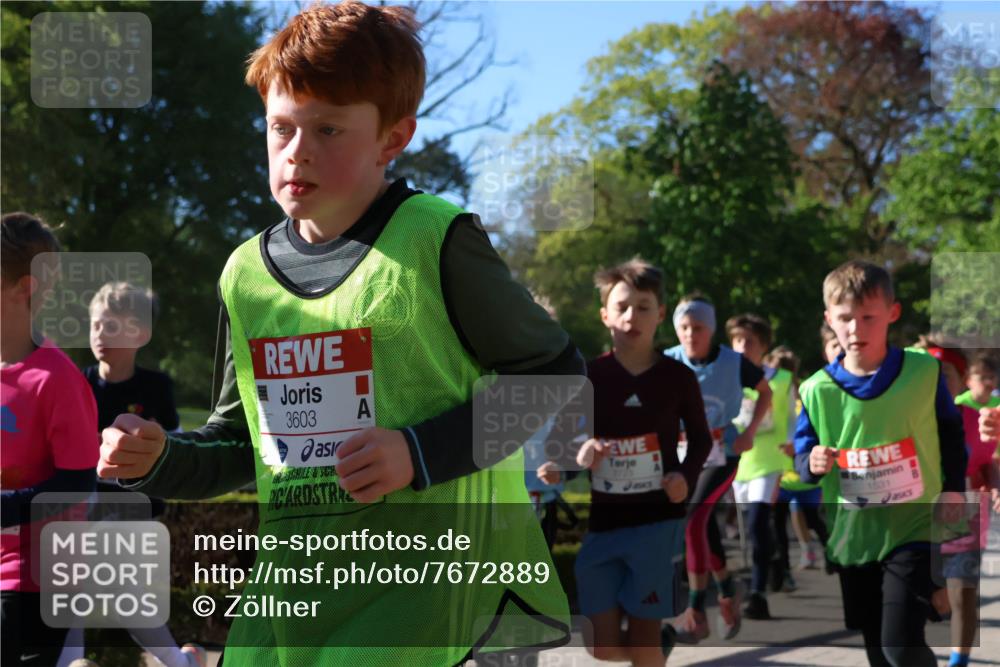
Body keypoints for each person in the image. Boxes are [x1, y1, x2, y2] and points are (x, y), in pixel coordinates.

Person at [96, 2, 581, 664]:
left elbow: (553, 374)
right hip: (291, 590)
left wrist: (417, 451)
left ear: (394, 136)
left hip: (417, 583)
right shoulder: (245, 275)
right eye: (281, 128)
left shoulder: (438, 239)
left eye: (328, 129)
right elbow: (243, 445)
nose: (298, 152)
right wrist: (159, 459)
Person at [794, 260, 967, 667]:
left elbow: (950, 432)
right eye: (845, 318)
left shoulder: (923, 371)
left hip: (915, 524)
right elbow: (804, 456)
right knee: (878, 651)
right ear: (828, 319)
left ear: (892, 313)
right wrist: (812, 462)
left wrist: (955, 487)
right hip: (856, 532)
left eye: (868, 317)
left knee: (899, 645)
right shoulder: (817, 390)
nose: (856, 329)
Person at [539, 259, 711, 666]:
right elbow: (565, 441)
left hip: (657, 522)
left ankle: (654, 641)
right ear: (605, 315)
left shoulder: (677, 378)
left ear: (660, 315)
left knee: (643, 646)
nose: (631, 316)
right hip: (604, 526)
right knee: (600, 647)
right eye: (622, 307)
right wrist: (568, 463)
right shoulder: (591, 377)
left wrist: (685, 477)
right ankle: (663, 639)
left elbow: (701, 439)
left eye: (643, 306)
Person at [59, 282, 204, 667]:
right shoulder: (77, 383)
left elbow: (167, 445)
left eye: (113, 327)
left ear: (139, 333)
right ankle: (178, 661)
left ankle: (177, 661)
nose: (100, 335)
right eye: (95, 326)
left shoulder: (155, 387)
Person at [1, 212, 99, 666]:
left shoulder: (57, 378)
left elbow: (78, 485)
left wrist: (6, 507)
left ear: (26, 288)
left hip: (31, 585)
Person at [664, 295, 772, 643]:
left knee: (693, 519)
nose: (690, 334)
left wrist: (751, 432)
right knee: (703, 525)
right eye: (683, 327)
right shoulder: (668, 361)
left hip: (723, 452)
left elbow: (765, 392)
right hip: (684, 454)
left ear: (710, 330)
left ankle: (696, 612)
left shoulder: (734, 362)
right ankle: (727, 590)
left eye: (697, 327)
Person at [942, 352, 1000, 667]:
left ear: (961, 377)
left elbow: (988, 461)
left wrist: (995, 484)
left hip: (965, 512)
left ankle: (957, 661)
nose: (938, 380)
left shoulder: (975, 417)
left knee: (962, 594)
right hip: (914, 519)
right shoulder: (904, 417)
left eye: (946, 373)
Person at [728, 313, 784, 618]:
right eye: (736, 340)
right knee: (751, 531)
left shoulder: (781, 380)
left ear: (763, 346)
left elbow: (796, 418)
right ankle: (773, 559)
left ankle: (757, 594)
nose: (741, 347)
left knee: (757, 524)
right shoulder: (727, 379)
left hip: (771, 461)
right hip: (740, 464)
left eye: (748, 341)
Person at [770, 341, 830, 593]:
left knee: (809, 519)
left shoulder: (803, 395)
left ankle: (829, 554)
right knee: (782, 524)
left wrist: (795, 447)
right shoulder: (769, 396)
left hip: (798, 473)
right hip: (779, 474)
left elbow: (808, 433)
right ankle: (786, 572)